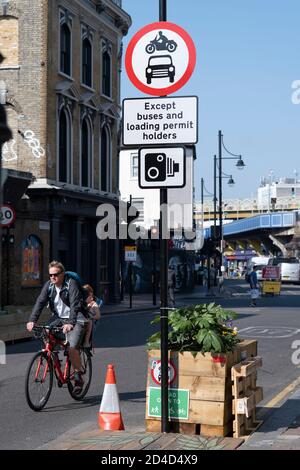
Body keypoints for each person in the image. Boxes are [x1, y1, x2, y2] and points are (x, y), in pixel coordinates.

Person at [26, 261, 89, 394]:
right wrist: (32, 320)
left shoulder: (71, 284)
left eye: (55, 274)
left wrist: (71, 323)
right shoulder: (49, 286)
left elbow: (75, 305)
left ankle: (78, 377)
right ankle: (53, 358)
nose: (53, 277)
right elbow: (40, 302)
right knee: (46, 331)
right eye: (50, 275)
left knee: (72, 347)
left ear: (62, 274)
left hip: (77, 318)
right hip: (60, 318)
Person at [82, 284, 101, 348]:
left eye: (87, 294)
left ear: (91, 294)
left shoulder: (94, 304)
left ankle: (86, 341)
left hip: (92, 322)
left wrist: (91, 317)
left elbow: (98, 316)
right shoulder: (83, 302)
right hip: (83, 319)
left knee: (89, 322)